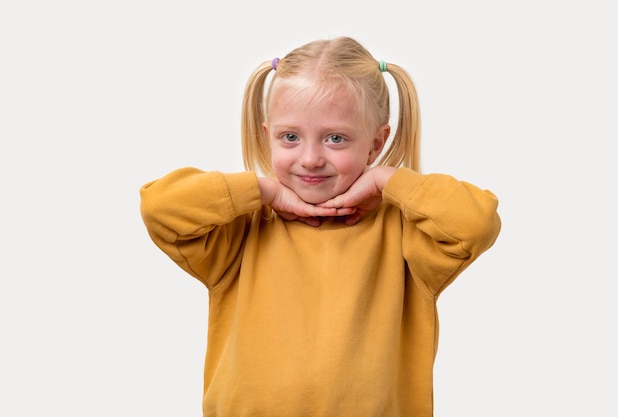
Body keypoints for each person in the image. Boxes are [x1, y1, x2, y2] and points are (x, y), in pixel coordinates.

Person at [140, 36, 501, 417]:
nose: (310, 159)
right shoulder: (240, 228)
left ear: (376, 144)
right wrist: (263, 191)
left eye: (335, 138)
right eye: (290, 137)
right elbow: (159, 207)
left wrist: (387, 182)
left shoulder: (407, 234)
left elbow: (476, 222)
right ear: (268, 136)